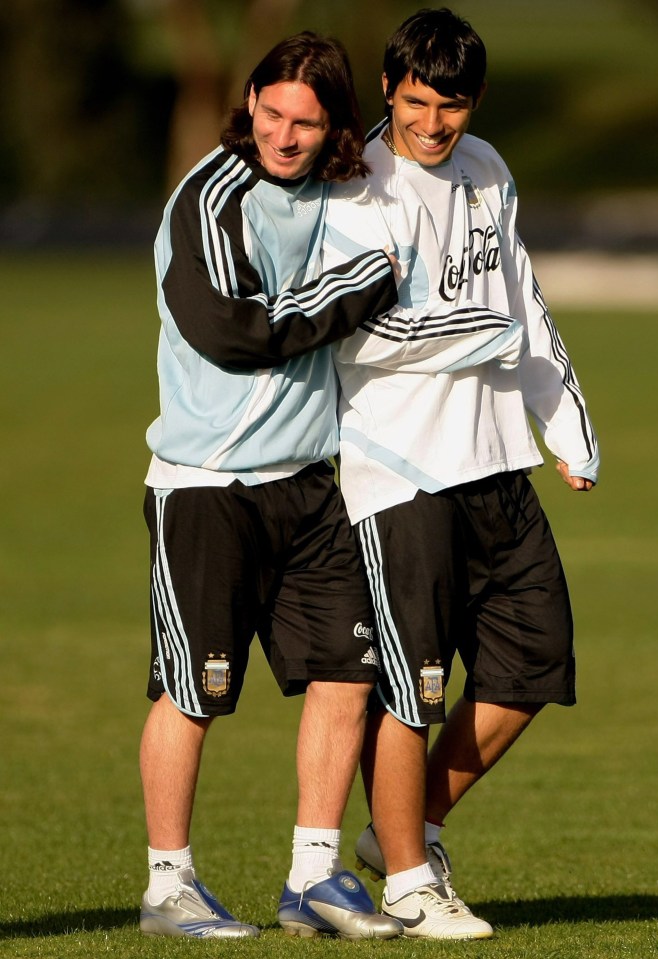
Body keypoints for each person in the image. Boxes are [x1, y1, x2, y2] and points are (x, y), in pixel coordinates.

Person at [323, 7, 599, 941]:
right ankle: (405, 878)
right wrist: (483, 334)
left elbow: (520, 297)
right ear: (389, 91)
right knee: (417, 684)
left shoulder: (486, 168)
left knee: (534, 660)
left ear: (472, 101)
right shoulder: (357, 186)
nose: (432, 125)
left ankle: (408, 829)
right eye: (414, 104)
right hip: (397, 470)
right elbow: (364, 334)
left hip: (497, 461)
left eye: (450, 106)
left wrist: (564, 425)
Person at [138, 31, 404, 941]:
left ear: (330, 126)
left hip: (310, 485)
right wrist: (364, 285)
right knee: (193, 689)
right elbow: (234, 332)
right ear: (249, 101)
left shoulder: (334, 183)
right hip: (206, 486)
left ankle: (314, 880)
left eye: (306, 121)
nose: (284, 136)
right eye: (272, 113)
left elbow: (404, 149)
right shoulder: (209, 198)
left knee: (347, 674)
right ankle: (169, 884)